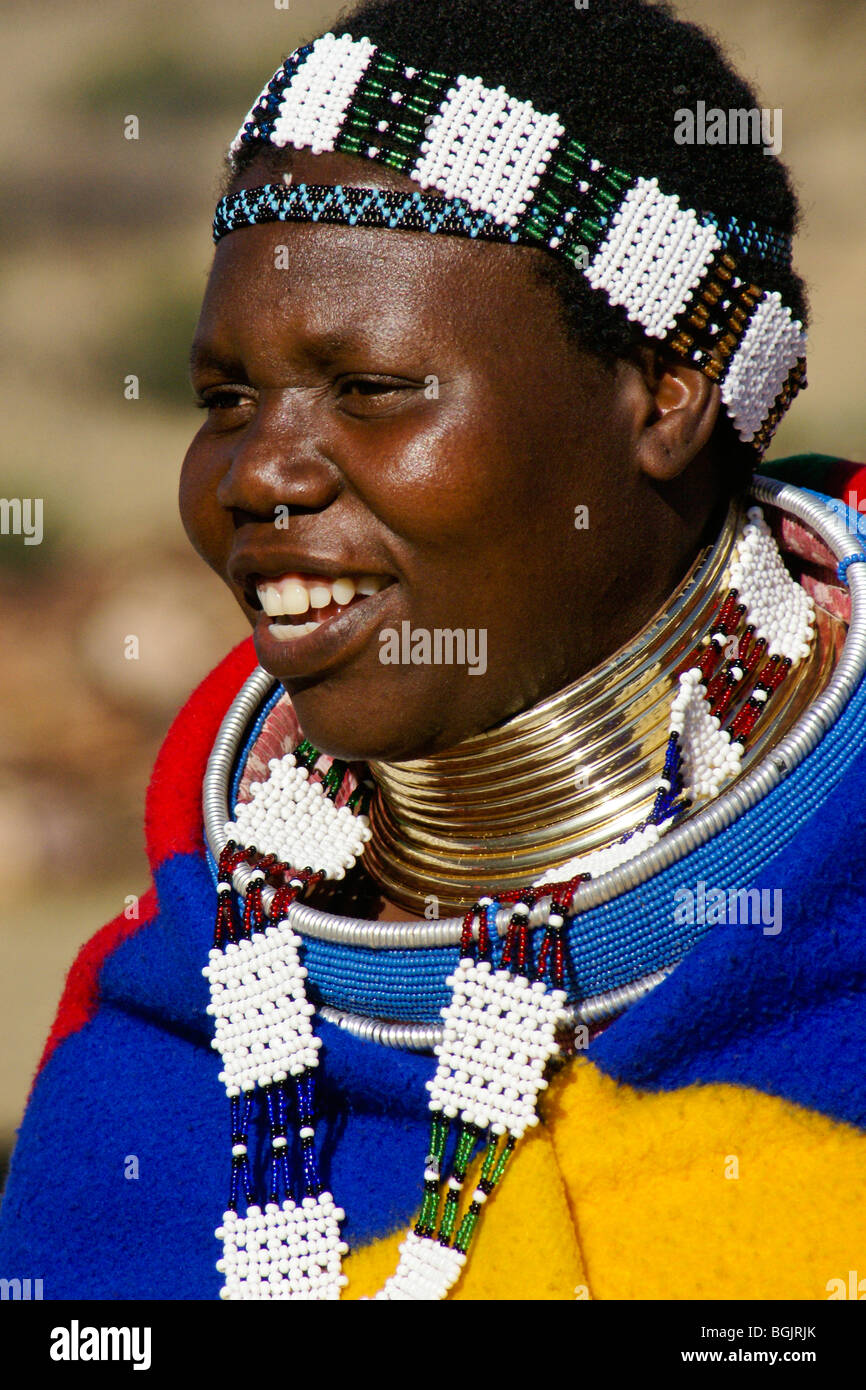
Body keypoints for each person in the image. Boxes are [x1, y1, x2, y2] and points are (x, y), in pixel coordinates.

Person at [1, 0, 865, 1301]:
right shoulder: (159, 1067)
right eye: (225, 400)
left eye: (371, 389)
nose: (258, 474)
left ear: (666, 392)